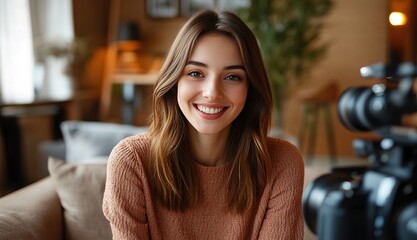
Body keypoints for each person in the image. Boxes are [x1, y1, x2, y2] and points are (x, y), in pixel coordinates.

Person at [103, 9, 304, 240]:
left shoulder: (283, 163)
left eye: (232, 77)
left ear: (251, 89)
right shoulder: (131, 161)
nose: (211, 93)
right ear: (174, 79)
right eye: (196, 73)